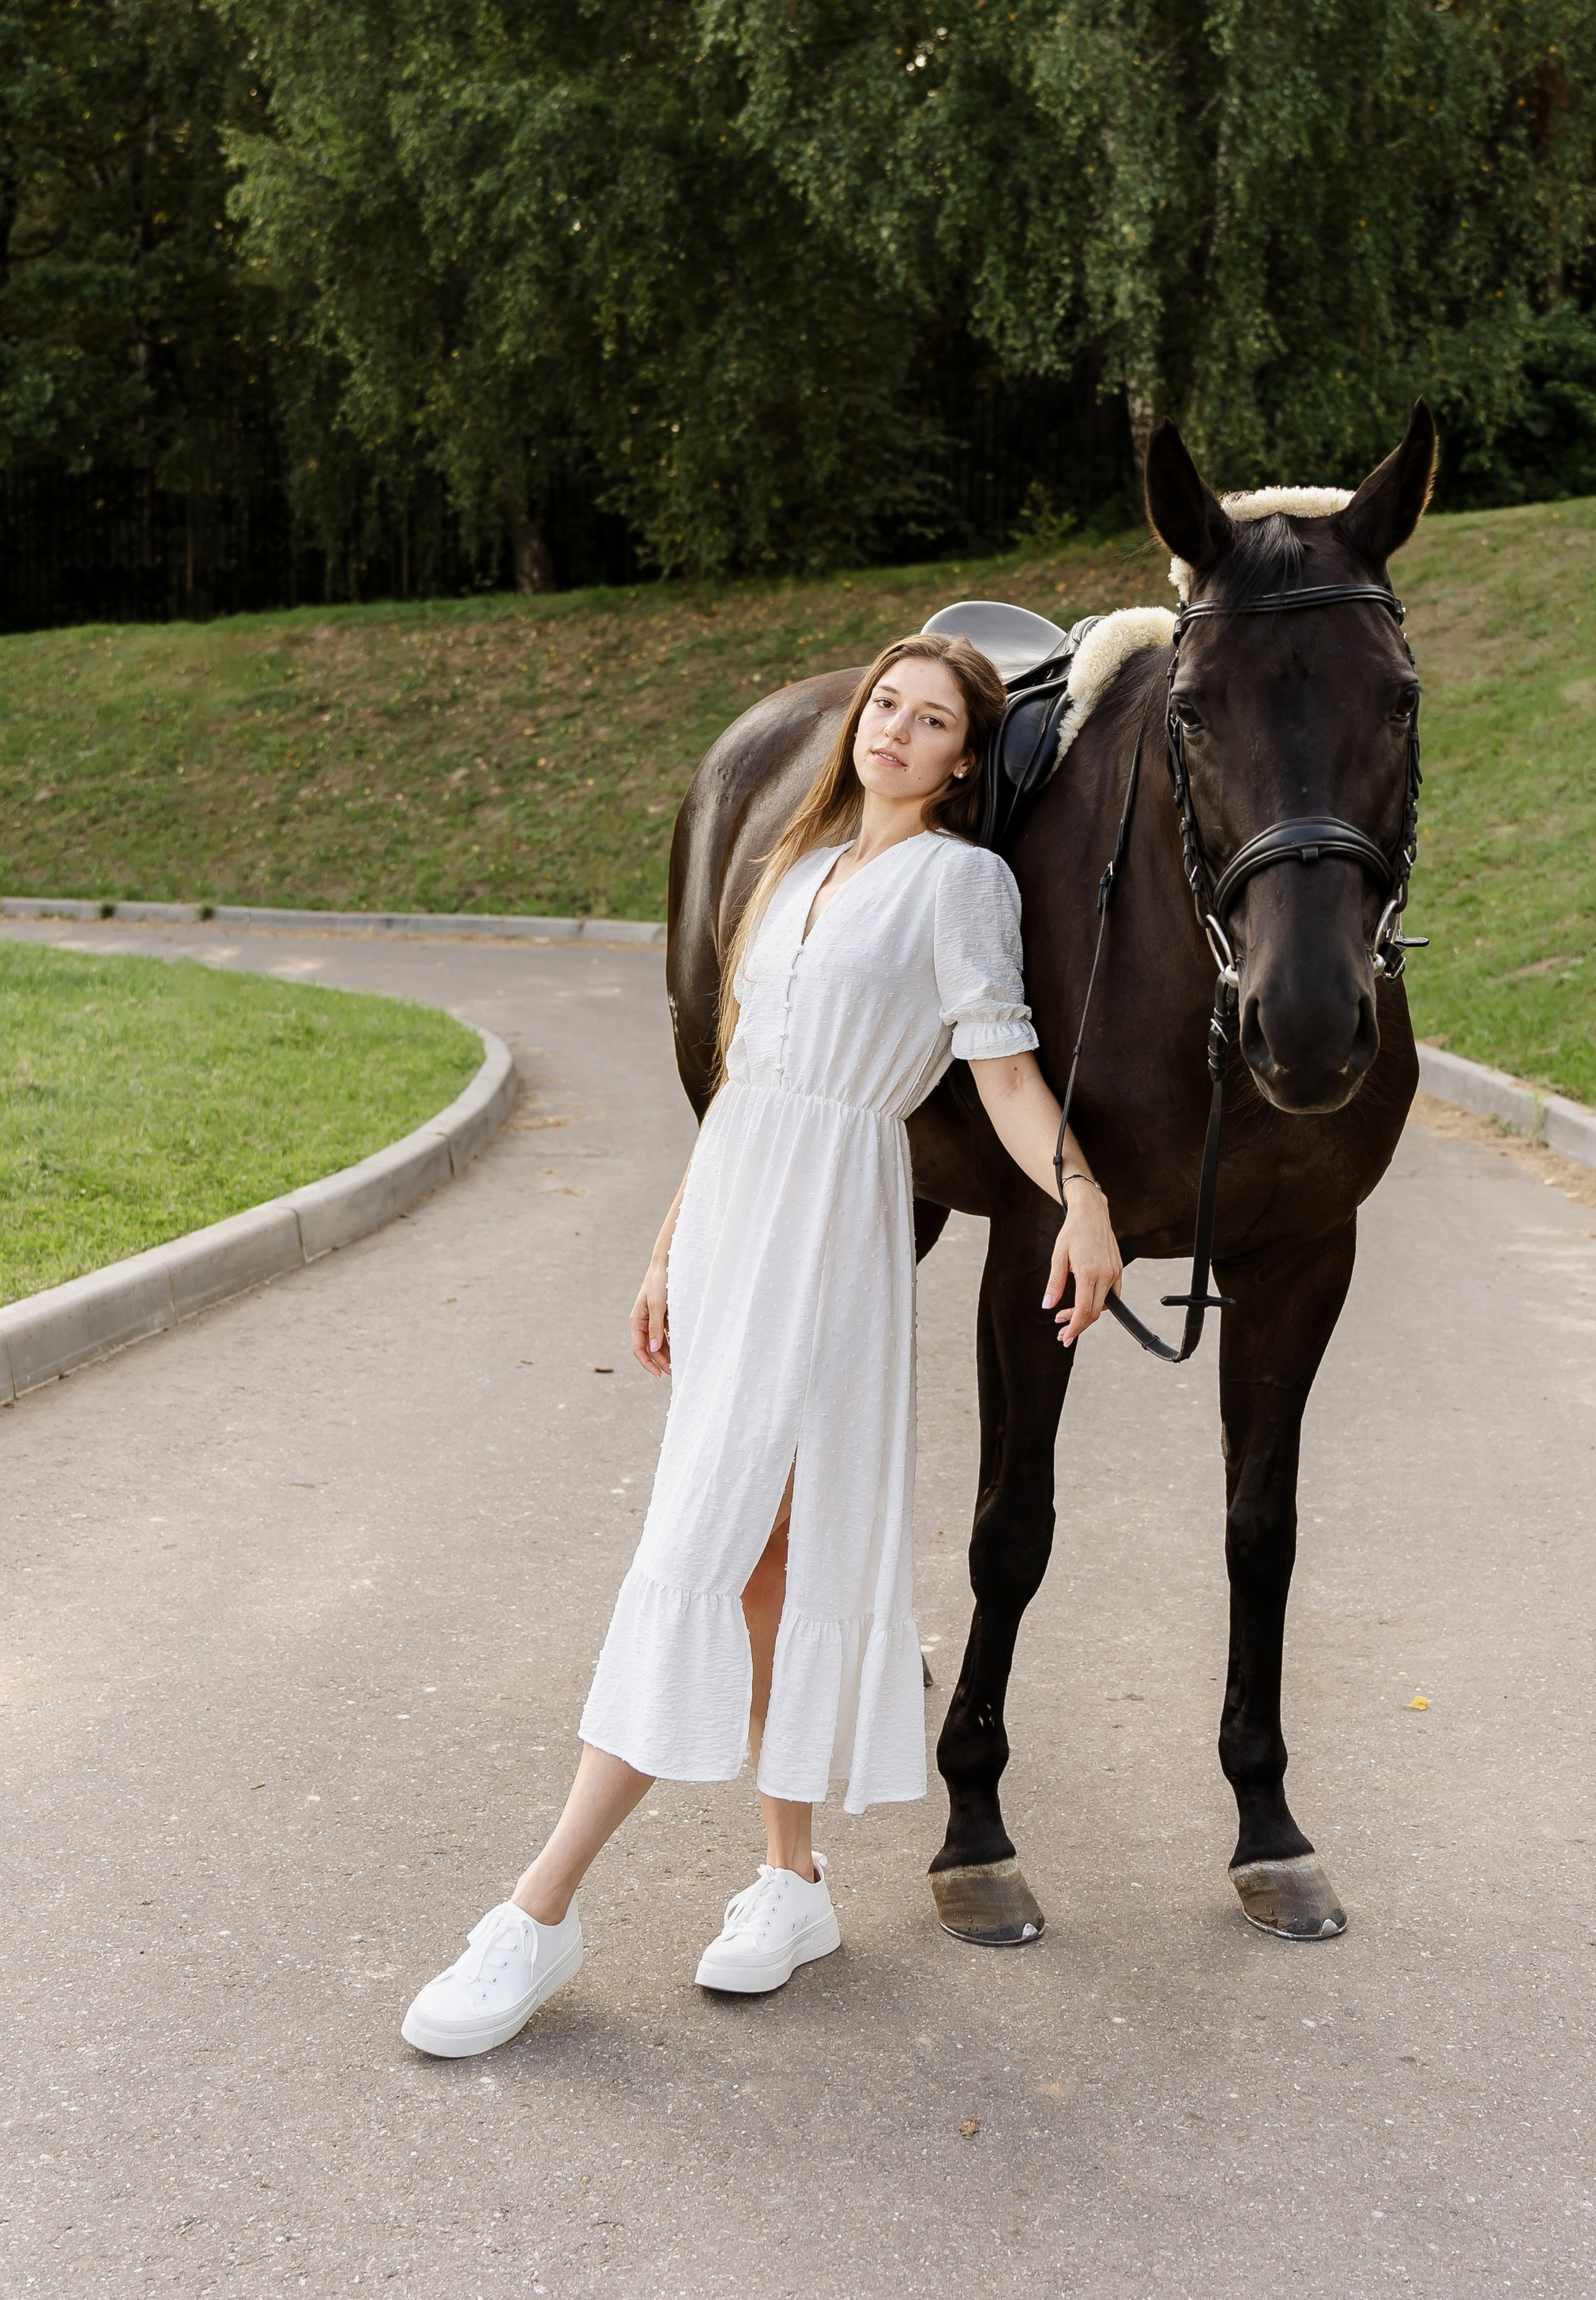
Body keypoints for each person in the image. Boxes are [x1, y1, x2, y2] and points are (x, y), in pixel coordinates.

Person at [401, 634, 1123, 2058]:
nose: (897, 735)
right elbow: (740, 1083)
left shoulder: (961, 885)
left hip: (831, 1243)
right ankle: (791, 1883)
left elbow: (1006, 1072)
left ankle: (540, 1910)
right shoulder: (796, 872)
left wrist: (1084, 1201)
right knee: (770, 1554)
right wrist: (670, 1244)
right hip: (734, 1227)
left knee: (699, 1545)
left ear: (967, 759)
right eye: (886, 710)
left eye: (932, 724)